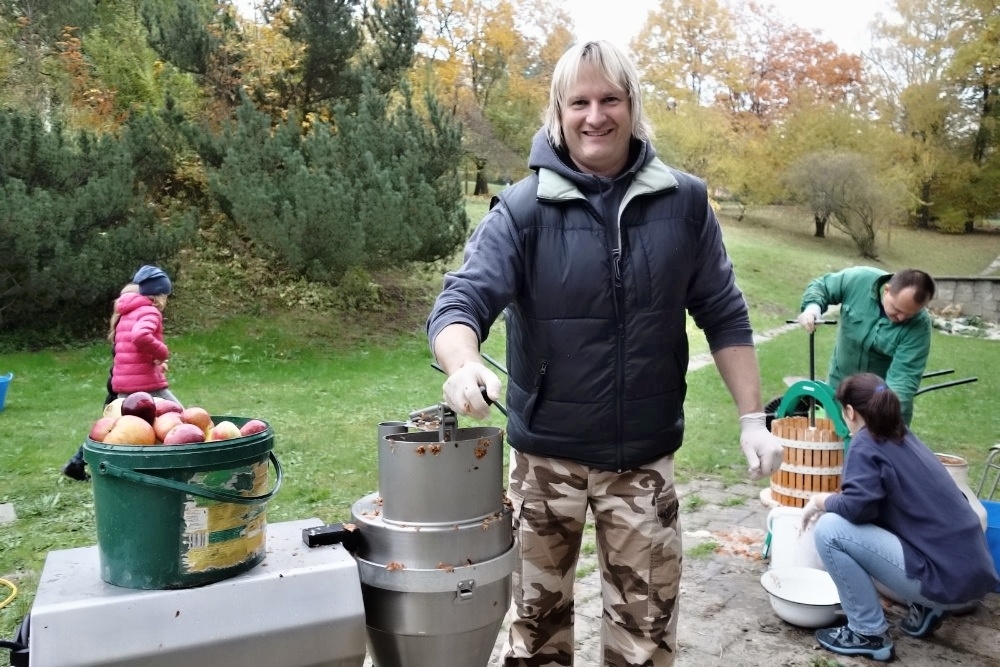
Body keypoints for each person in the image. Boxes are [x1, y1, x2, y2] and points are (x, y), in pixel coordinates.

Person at [426, 40, 784, 667]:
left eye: (610, 99)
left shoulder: (685, 203)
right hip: (545, 461)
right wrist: (463, 364)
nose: (596, 116)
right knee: (535, 633)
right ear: (558, 114)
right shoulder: (521, 209)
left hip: (641, 460)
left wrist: (753, 418)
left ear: (632, 106)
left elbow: (724, 312)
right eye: (580, 102)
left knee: (645, 638)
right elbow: (459, 304)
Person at [801, 373, 998, 662]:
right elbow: (871, 507)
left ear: (850, 412)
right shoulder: (902, 435)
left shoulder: (865, 443)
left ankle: (867, 632)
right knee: (847, 523)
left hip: (944, 582)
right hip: (971, 578)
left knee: (830, 529)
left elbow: (855, 509)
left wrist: (818, 501)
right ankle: (926, 608)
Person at [61, 266, 182, 481]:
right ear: (160, 295)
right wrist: (162, 353)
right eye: (166, 294)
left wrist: (153, 362)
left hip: (124, 380)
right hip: (144, 383)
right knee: (180, 417)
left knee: (112, 427)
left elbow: (130, 350)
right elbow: (141, 336)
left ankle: (78, 461)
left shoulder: (126, 312)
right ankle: (185, 461)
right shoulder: (149, 311)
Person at [796, 267, 936, 425]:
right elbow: (823, 286)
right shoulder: (859, 280)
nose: (901, 317)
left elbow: (903, 380)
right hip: (839, 386)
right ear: (887, 290)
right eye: (897, 310)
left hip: (878, 399)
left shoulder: (919, 326)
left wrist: (884, 418)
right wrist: (812, 308)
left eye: (909, 314)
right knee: (836, 443)